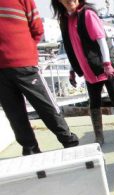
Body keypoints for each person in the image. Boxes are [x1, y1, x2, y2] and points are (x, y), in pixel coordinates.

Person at [51, 0, 114, 145]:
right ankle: (99, 136)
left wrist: (107, 64)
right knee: (94, 103)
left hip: (106, 67)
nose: (69, 1)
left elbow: (101, 40)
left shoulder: (87, 14)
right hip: (90, 71)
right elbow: (72, 47)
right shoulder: (65, 20)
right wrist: (72, 69)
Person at [0, 0, 79, 156]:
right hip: (23, 63)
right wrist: (25, 49)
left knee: (16, 111)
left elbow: (37, 30)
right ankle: (67, 141)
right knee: (43, 104)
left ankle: (31, 147)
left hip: (12, 65)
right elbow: (37, 29)